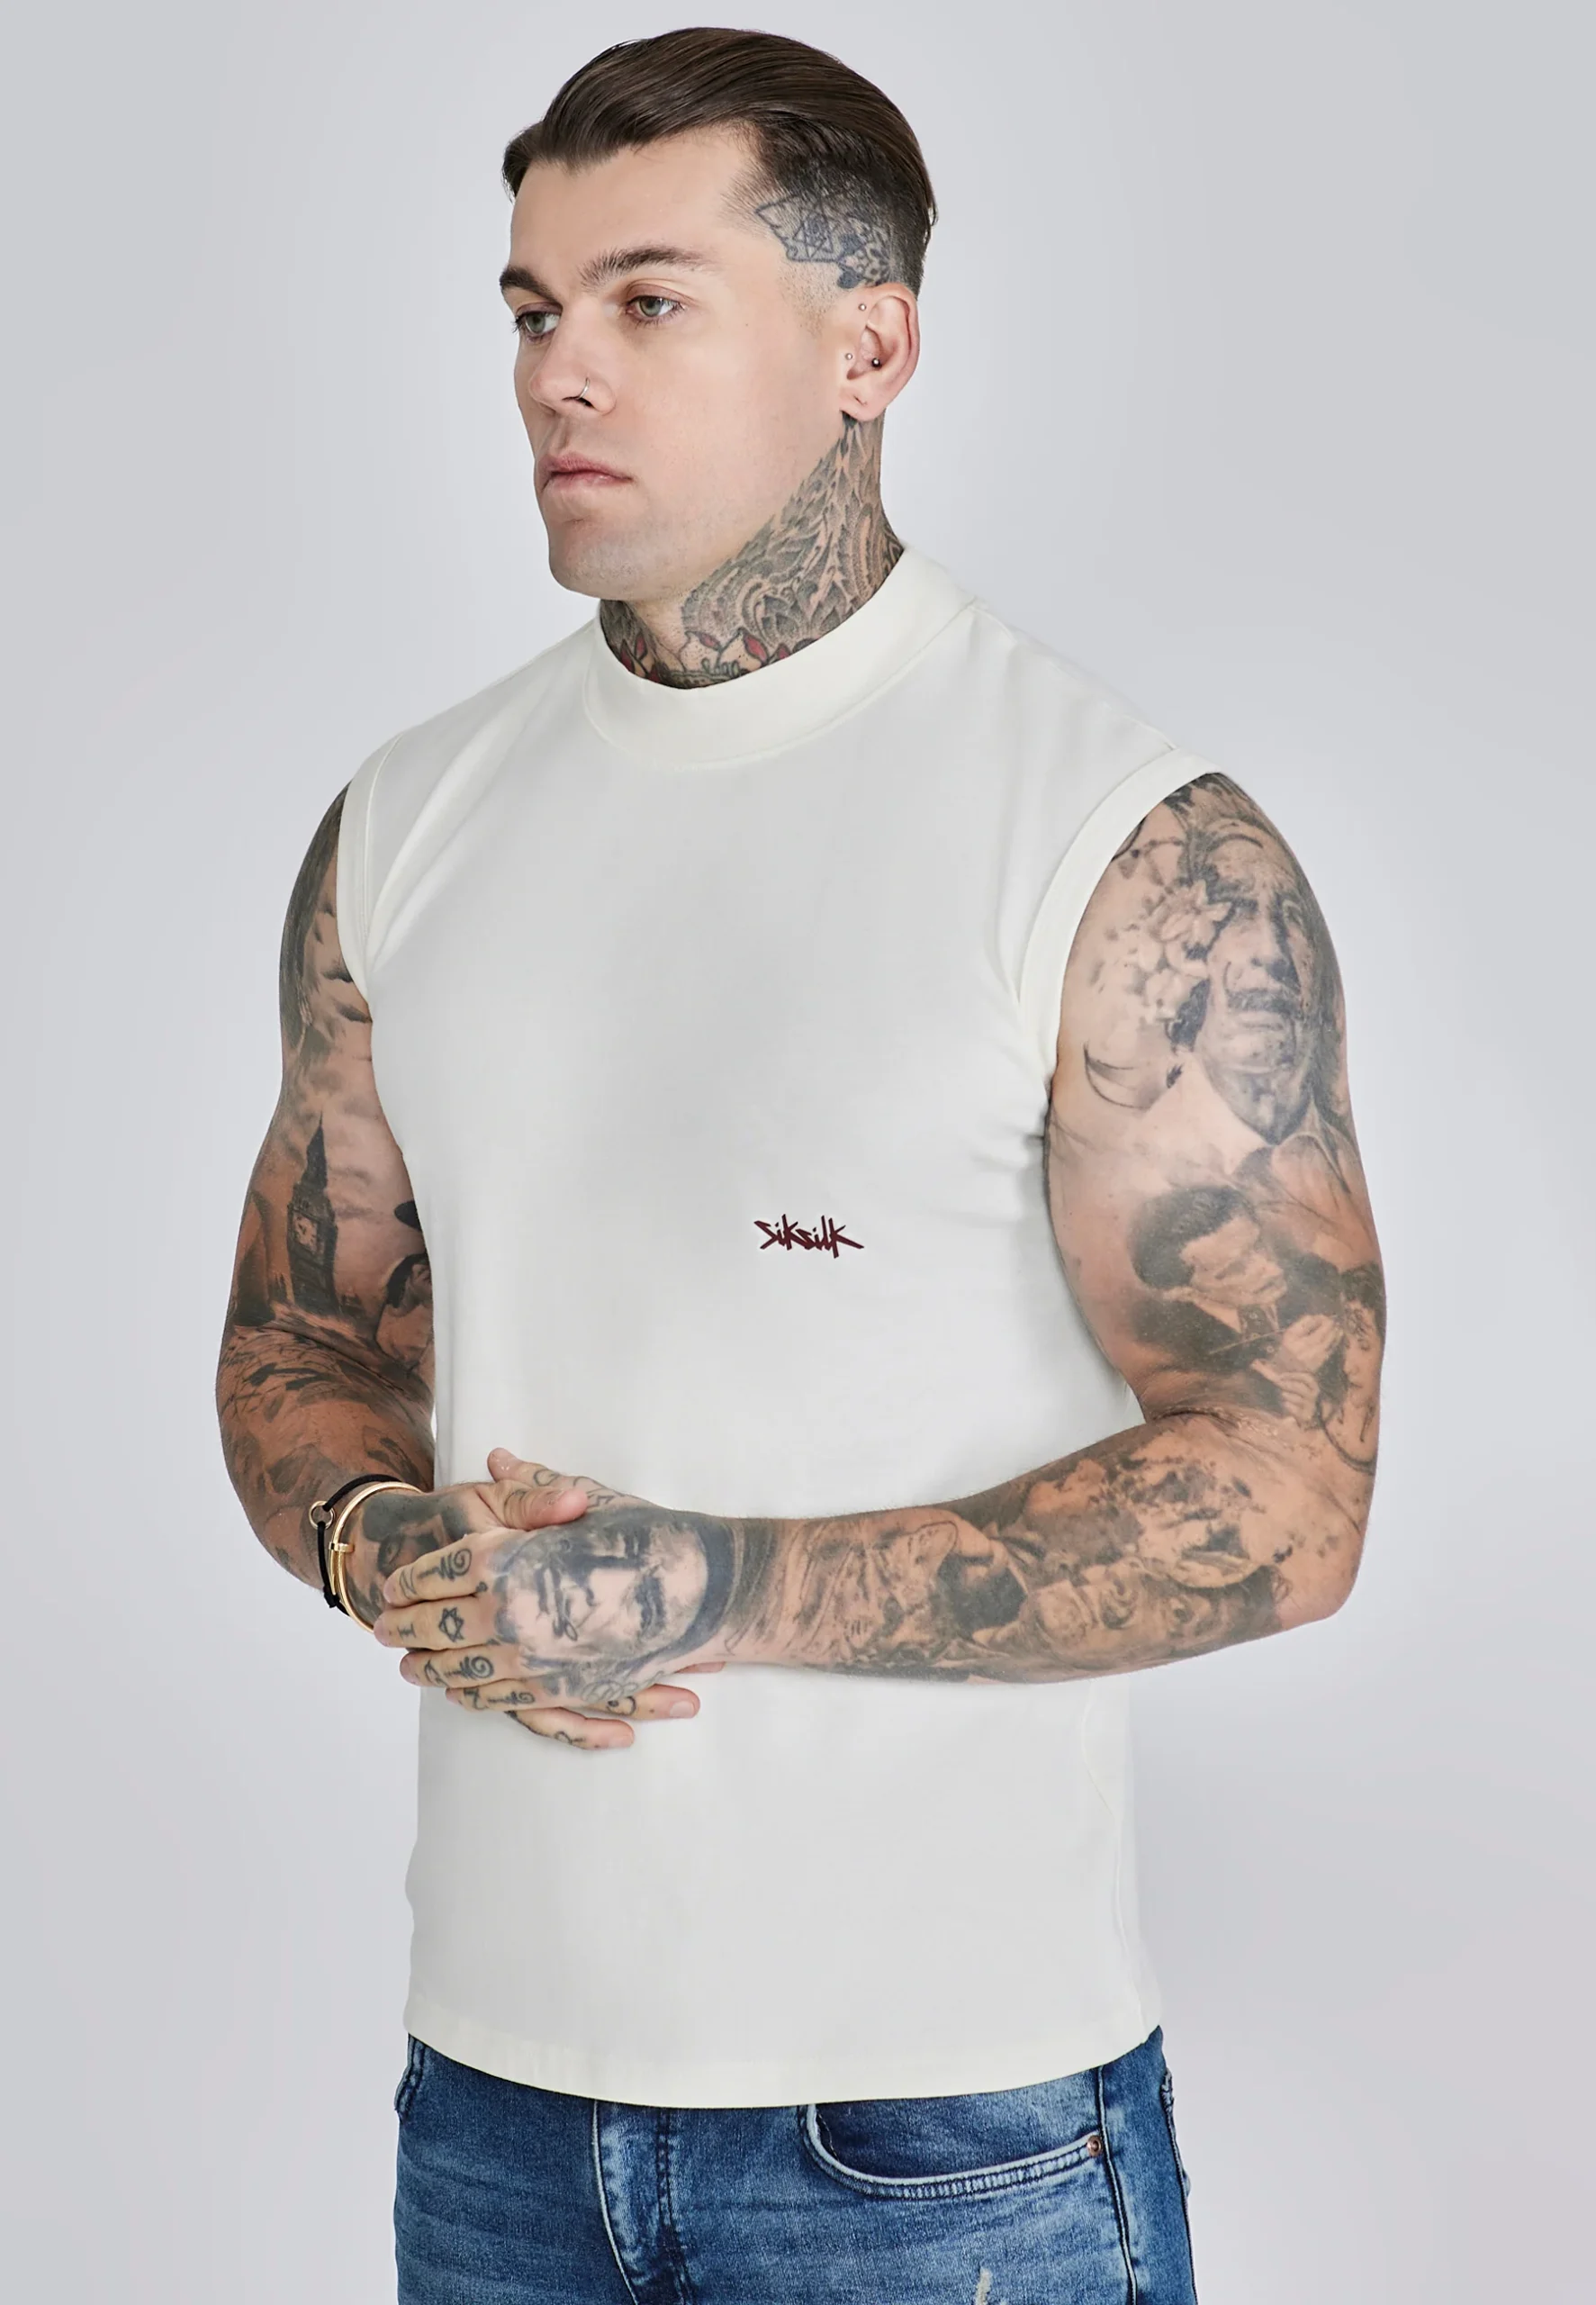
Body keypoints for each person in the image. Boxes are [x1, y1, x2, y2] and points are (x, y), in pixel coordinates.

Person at [216, 27, 1384, 2303]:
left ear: (871, 347)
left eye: (647, 301)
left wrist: (710, 1587)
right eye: (532, 310)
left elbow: (1290, 1486)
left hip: (946, 2136)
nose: (559, 372)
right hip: (492, 2110)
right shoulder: (409, 820)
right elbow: (301, 1333)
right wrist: (377, 1540)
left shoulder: (1118, 844)